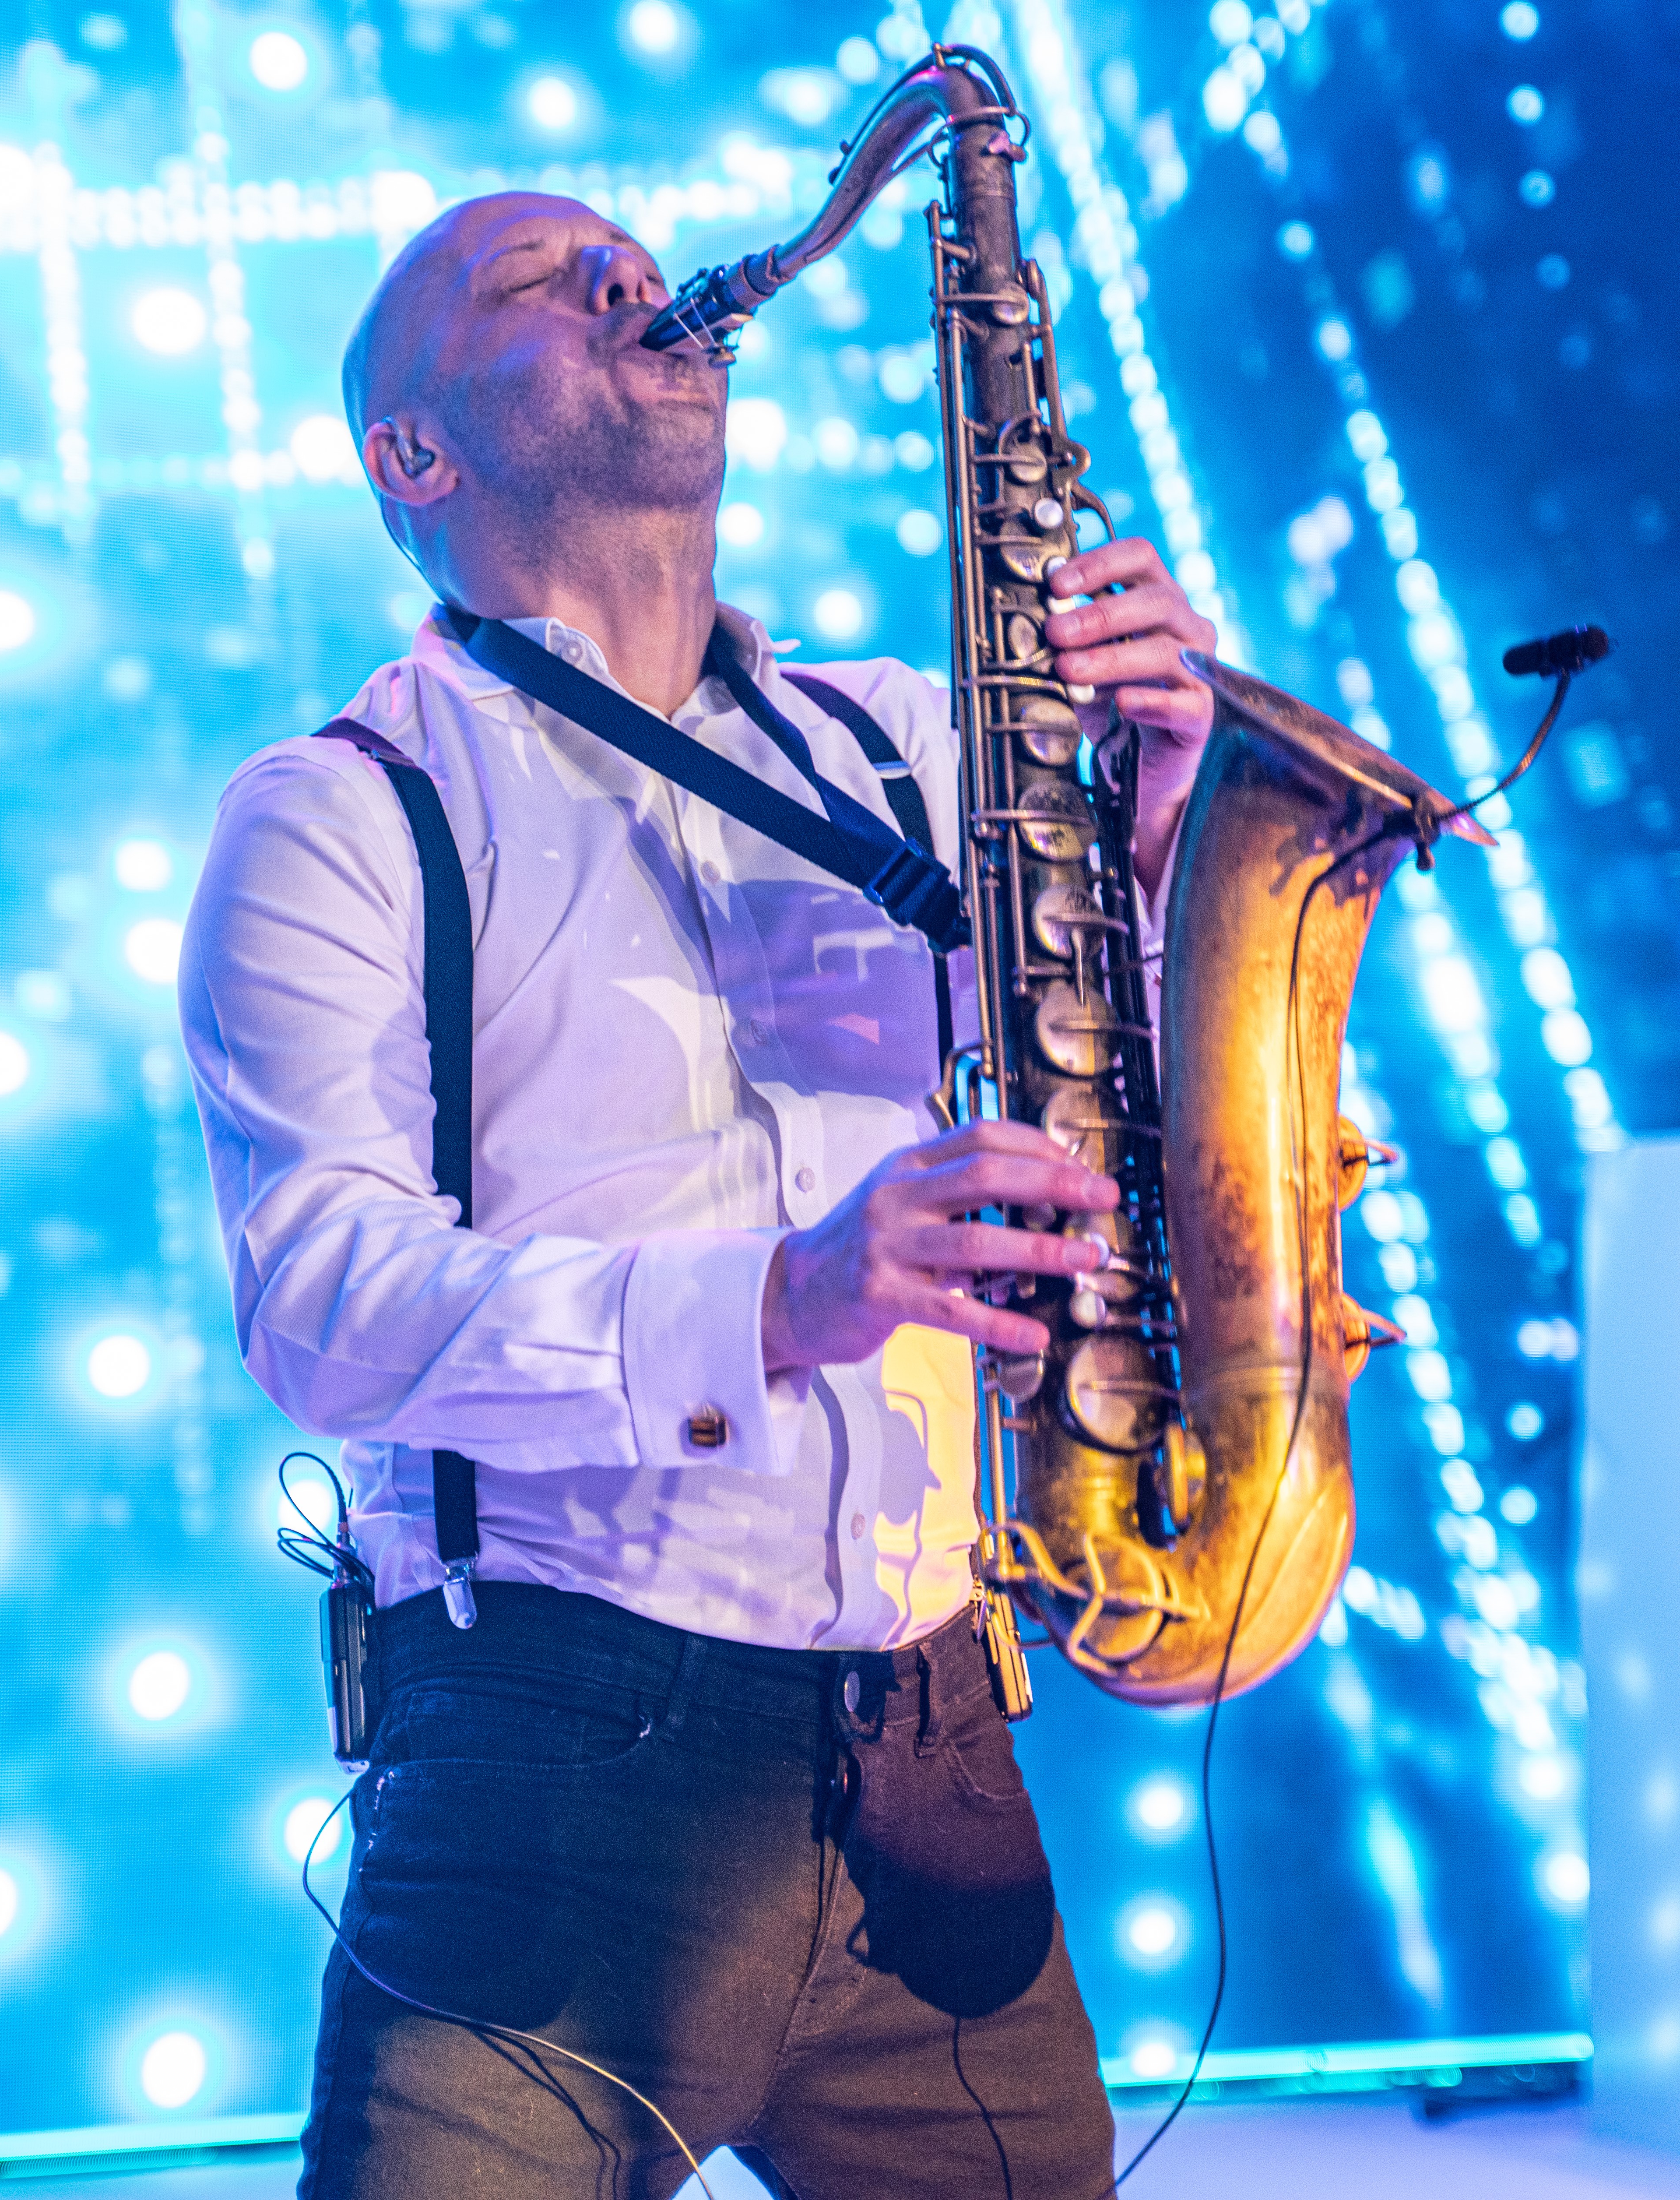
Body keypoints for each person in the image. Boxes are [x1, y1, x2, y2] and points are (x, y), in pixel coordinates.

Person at [179, 191, 1218, 2200]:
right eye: (532, 280)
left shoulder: (929, 751)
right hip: (555, 1757)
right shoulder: (333, 811)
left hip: (937, 1749)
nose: (623, 280)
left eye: (627, 260)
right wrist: (781, 1297)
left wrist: (1166, 835)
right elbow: (319, 1300)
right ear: (414, 456)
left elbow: (1138, 1134)